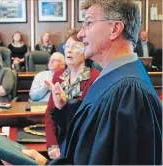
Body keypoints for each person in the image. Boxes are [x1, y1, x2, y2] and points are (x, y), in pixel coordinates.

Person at [21, 0, 162, 165]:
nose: (81, 34)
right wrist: (66, 107)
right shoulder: (115, 77)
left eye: (88, 23)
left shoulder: (129, 91)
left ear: (115, 29)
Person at [45, 29, 100, 159]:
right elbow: (49, 114)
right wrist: (52, 145)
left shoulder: (95, 77)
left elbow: (91, 119)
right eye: (67, 46)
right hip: (60, 139)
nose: (68, 50)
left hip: (83, 146)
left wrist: (65, 105)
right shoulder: (58, 75)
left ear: (86, 51)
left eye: (74, 46)